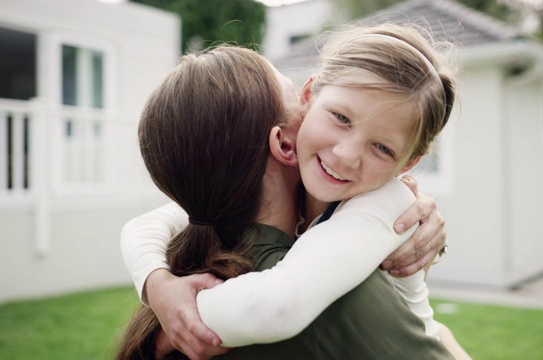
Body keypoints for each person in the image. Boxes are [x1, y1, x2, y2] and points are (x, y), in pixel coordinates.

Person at [119, 23, 468, 359]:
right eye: (340, 118)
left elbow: (277, 305)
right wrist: (159, 288)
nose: (346, 155)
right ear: (303, 105)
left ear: (406, 164)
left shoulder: (390, 203)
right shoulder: (259, 221)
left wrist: (179, 320)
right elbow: (145, 226)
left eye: (383, 148)